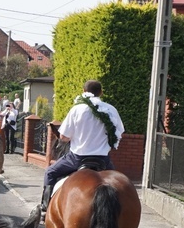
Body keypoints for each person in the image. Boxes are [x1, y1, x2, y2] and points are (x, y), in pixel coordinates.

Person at [41, 80, 125, 215]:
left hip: (78, 158)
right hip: (103, 160)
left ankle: (45, 208)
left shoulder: (77, 109)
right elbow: (119, 132)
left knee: (50, 172)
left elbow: (63, 136)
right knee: (119, 185)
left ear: (84, 92)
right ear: (101, 93)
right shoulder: (111, 109)